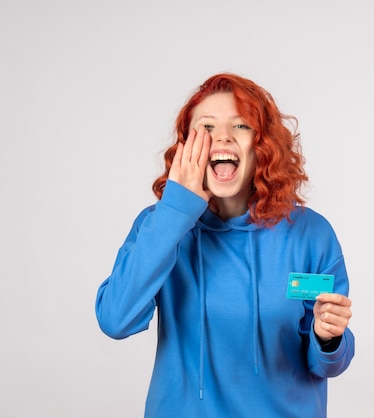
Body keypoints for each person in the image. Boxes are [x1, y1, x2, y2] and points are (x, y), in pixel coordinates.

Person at [95, 73, 355, 417]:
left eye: (241, 126)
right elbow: (116, 320)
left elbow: (329, 364)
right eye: (206, 128)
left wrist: (329, 338)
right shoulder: (160, 225)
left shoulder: (310, 233)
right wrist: (176, 211)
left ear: (262, 144)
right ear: (187, 146)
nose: (223, 138)